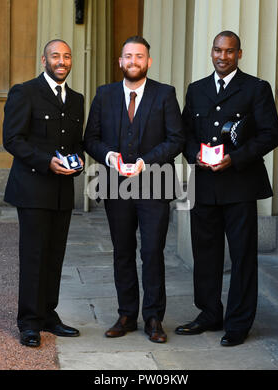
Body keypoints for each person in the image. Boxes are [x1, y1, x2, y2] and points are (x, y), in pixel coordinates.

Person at [175, 31, 278, 346]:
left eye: (229, 51)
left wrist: (234, 159)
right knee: (205, 254)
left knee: (243, 257)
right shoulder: (197, 90)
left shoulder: (256, 89)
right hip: (204, 184)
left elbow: (269, 135)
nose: (222, 57)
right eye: (218, 51)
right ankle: (209, 314)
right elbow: (185, 132)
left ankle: (238, 323)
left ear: (239, 54)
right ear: (212, 52)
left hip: (240, 185)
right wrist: (194, 152)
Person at [84, 36, 184, 343]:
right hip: (116, 185)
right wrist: (110, 157)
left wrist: (145, 162)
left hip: (154, 183)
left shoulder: (165, 94)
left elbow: (176, 139)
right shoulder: (104, 94)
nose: (133, 61)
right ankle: (126, 314)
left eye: (139, 56)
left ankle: (153, 317)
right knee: (122, 252)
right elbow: (91, 139)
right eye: (128, 56)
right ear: (120, 61)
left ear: (148, 62)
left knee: (152, 252)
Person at [3, 39, 85, 347]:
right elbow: (12, 139)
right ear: (44, 60)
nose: (61, 61)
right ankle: (29, 322)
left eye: (66, 56)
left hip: (63, 190)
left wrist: (77, 162)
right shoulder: (24, 92)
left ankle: (49, 315)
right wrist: (46, 161)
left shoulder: (76, 99)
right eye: (55, 56)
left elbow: (76, 143)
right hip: (33, 188)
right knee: (34, 255)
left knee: (55, 256)